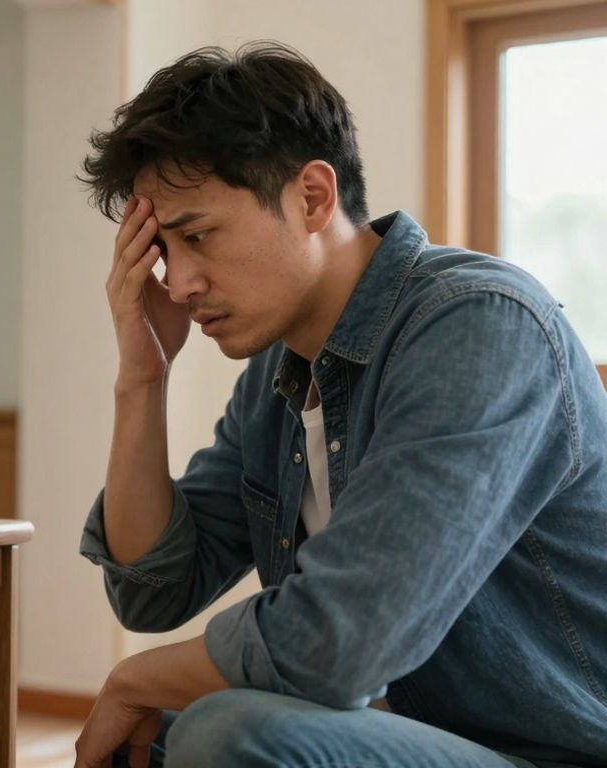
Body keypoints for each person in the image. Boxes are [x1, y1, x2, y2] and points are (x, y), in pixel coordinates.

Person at [73, 41, 607, 768]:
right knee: (145, 739)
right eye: (164, 253)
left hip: (552, 750)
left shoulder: (480, 323)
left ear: (313, 198)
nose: (180, 282)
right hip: (402, 731)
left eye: (198, 235)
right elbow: (151, 592)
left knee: (220, 733)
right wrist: (143, 377)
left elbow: (338, 644)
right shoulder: (276, 373)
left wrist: (133, 677)